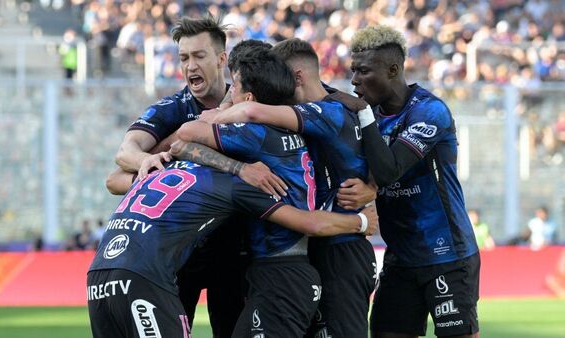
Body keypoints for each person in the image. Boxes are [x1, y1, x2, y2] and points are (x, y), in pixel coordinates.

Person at [170, 47, 356, 338]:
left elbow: (185, 136)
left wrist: (221, 114)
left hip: (281, 273)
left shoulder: (256, 134)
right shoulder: (291, 131)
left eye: (236, 88)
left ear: (248, 98)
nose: (229, 93)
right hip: (287, 271)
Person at [88, 160, 374, 338]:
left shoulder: (169, 165)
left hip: (97, 277)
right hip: (144, 279)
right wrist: (360, 221)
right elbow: (306, 223)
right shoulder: (234, 183)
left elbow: (114, 179)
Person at [104, 14, 247, 337]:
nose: (190, 65)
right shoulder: (172, 109)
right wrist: (148, 165)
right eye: (184, 58)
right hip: (180, 254)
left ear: (222, 59)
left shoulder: (248, 105)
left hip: (236, 250)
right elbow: (123, 156)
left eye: (199, 56)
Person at [348, 25, 480, 338]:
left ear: (393, 69)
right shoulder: (369, 117)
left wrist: (363, 116)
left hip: (447, 253)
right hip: (400, 256)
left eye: (363, 70)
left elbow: (389, 169)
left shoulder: (429, 111)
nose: (354, 80)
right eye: (353, 70)